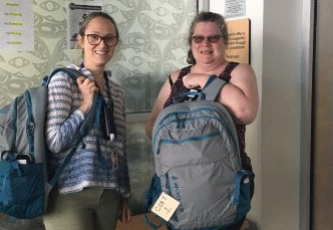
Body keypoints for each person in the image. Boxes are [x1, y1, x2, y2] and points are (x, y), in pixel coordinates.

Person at [145, 11, 259, 230]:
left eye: (213, 38)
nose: (205, 43)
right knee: (175, 224)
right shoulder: (176, 77)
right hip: (177, 179)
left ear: (225, 41)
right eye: (198, 38)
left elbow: (246, 112)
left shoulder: (238, 72)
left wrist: (203, 79)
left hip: (222, 179)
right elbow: (152, 126)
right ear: (191, 42)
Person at [43, 12, 131, 230]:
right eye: (94, 37)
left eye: (109, 38)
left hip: (109, 194)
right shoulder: (63, 79)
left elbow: (119, 148)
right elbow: (55, 142)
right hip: (68, 195)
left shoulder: (116, 91)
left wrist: (124, 195)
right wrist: (86, 105)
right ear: (81, 40)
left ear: (115, 43)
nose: (102, 44)